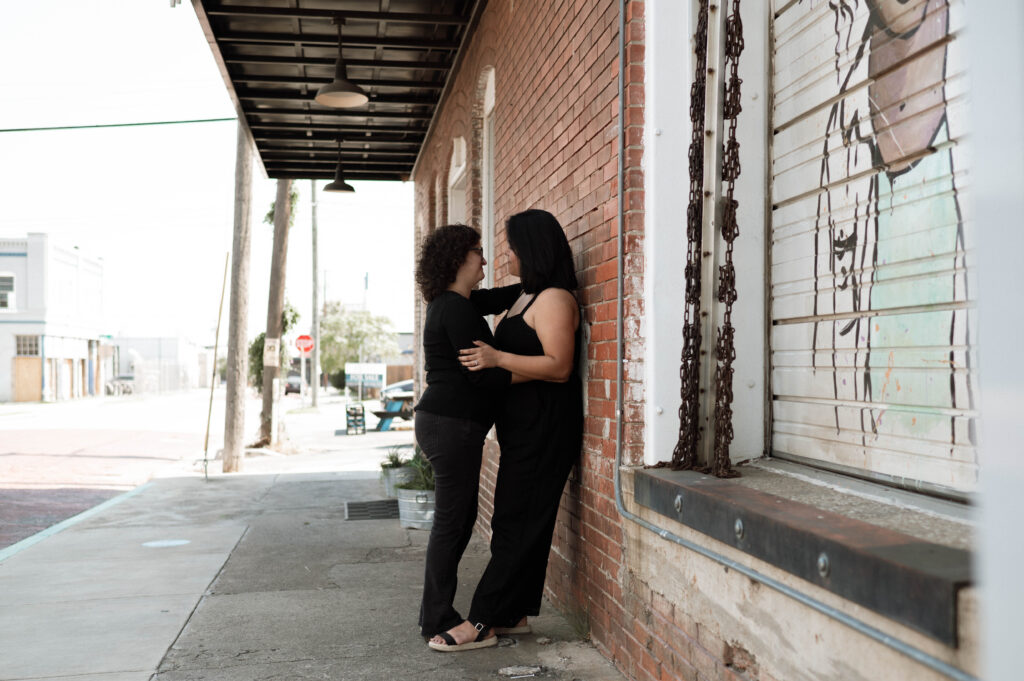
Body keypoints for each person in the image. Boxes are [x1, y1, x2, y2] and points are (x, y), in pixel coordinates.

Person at [436, 208, 583, 649]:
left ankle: (482, 620)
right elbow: (461, 299)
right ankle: (514, 612)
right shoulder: (523, 296)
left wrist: (498, 359)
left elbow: (559, 368)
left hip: (546, 427)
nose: (506, 256)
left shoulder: (556, 299)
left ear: (533, 250)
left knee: (518, 523)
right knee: (514, 521)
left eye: (513, 247)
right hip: (521, 430)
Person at [413, 224, 522, 652]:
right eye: (478, 251)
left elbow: (499, 298)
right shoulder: (455, 310)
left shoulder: (457, 303)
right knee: (453, 522)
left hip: (447, 422)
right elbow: (482, 373)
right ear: (459, 258)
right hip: (450, 424)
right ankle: (436, 616)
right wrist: (540, 371)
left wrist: (539, 280)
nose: (485, 259)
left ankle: (433, 612)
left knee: (455, 520)